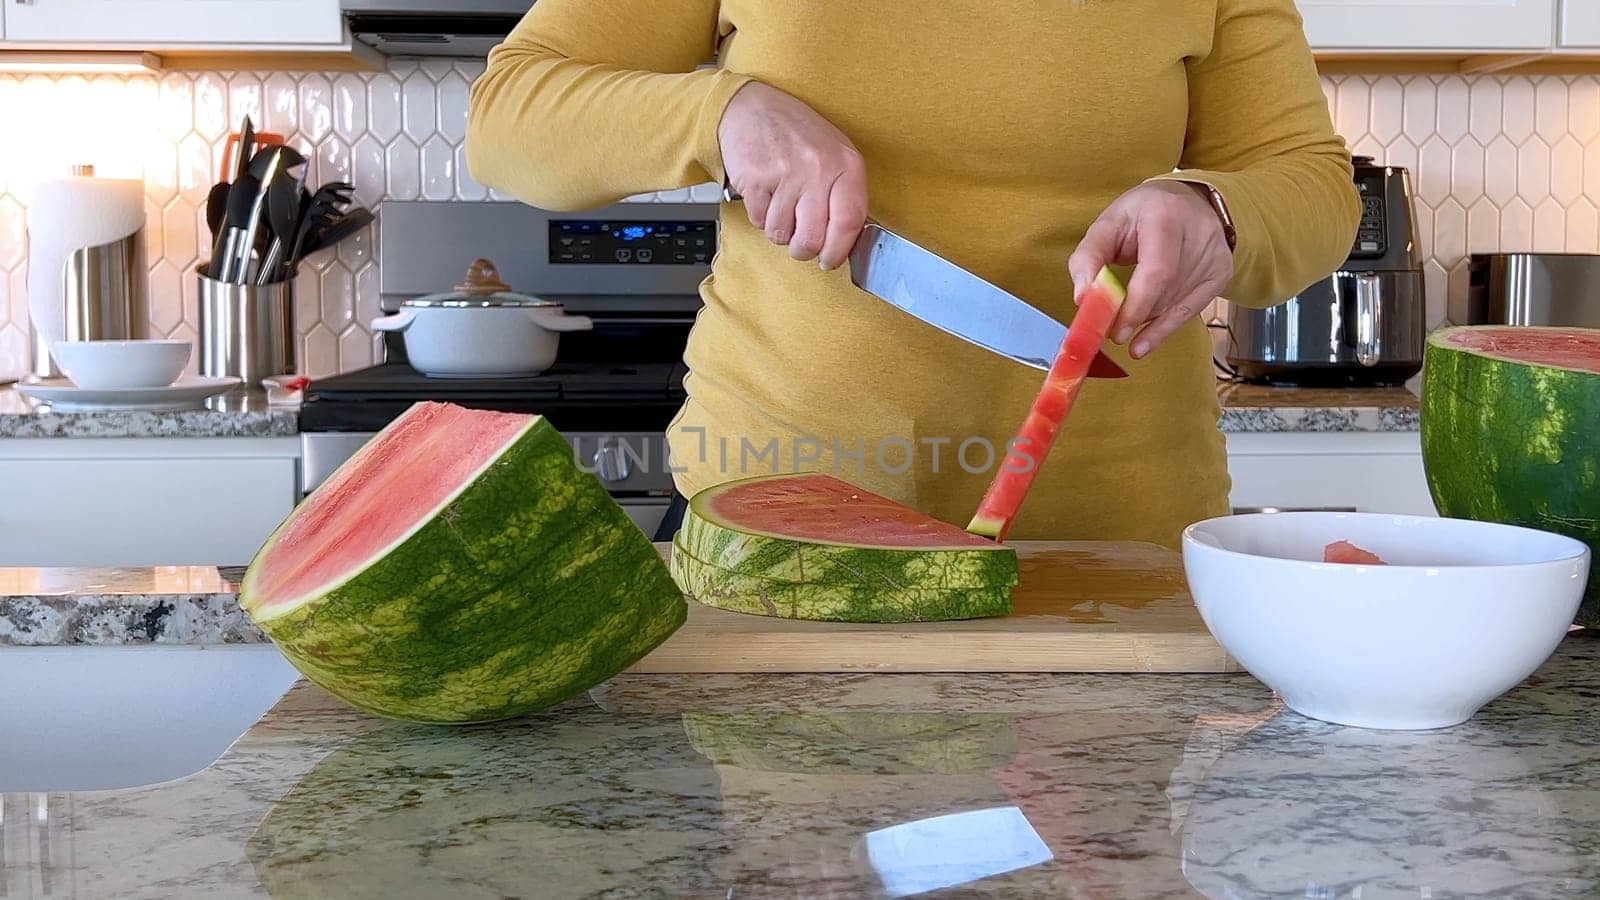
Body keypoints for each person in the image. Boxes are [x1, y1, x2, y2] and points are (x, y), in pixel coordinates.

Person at [467, 0, 1360, 547]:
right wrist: (722, 111)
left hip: (1115, 541)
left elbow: (1314, 182)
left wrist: (1219, 210)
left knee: (1086, 855)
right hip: (784, 518)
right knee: (805, 851)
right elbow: (509, 117)